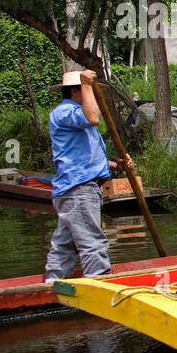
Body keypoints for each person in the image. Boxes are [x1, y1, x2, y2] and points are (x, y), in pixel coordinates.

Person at [45, 69, 130, 282]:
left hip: (75, 189)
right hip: (79, 189)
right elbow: (92, 118)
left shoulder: (76, 118)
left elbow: (85, 155)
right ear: (77, 91)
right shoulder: (65, 112)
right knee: (92, 242)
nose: (93, 96)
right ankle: (99, 284)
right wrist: (87, 84)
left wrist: (116, 166)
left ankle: (52, 286)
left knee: (64, 245)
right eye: (88, 91)